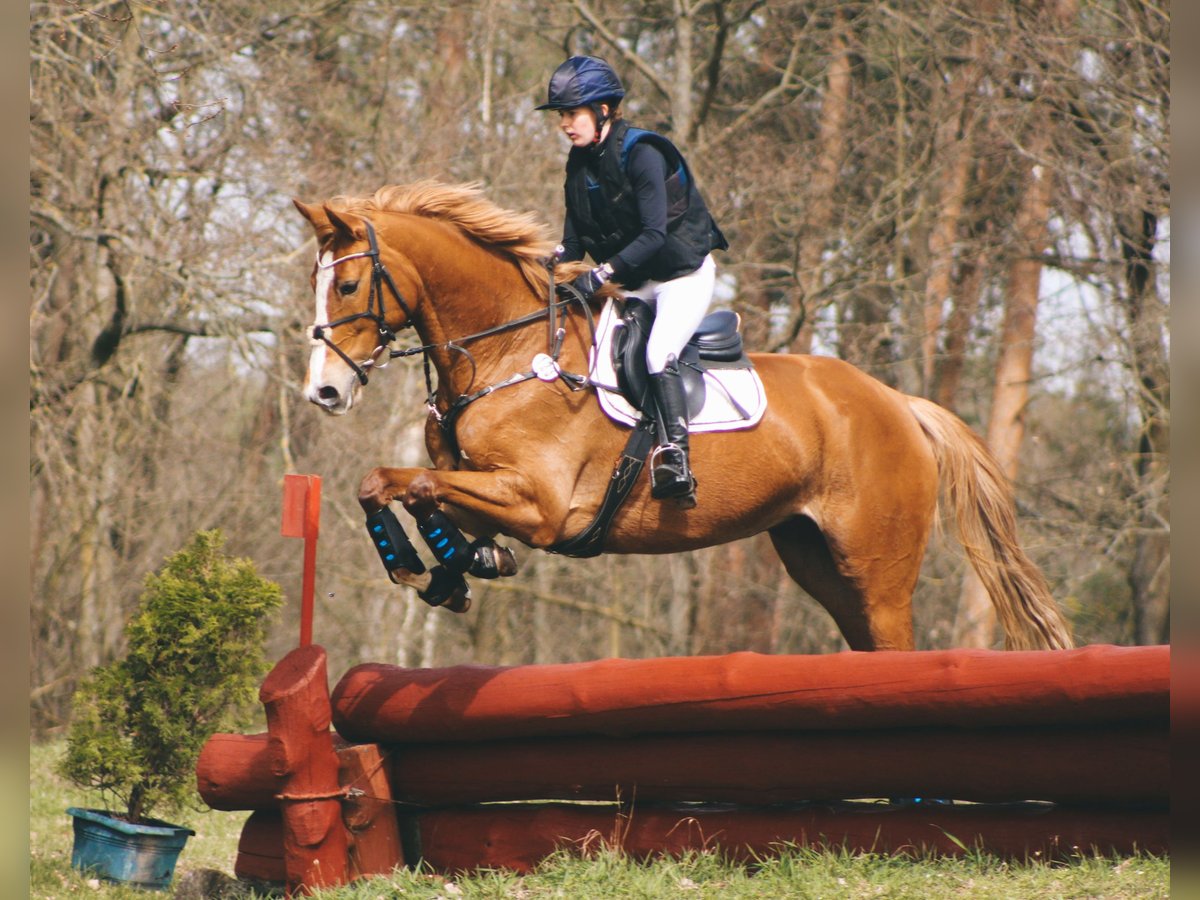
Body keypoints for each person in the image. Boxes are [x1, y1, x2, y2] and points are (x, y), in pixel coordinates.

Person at [536, 55, 728, 508]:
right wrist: (545, 264)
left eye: (572, 113)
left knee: (658, 353)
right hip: (637, 280)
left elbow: (654, 234)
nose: (565, 124)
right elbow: (573, 240)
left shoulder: (643, 153)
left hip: (682, 277)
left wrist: (601, 274)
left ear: (603, 110)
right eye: (562, 115)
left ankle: (676, 456)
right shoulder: (579, 164)